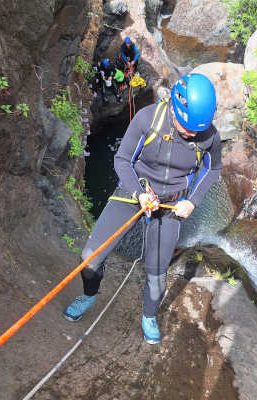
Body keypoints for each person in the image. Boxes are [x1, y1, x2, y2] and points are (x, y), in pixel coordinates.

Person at [63, 73, 222, 344]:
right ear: (173, 106)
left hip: (171, 202)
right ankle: (89, 295)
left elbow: (212, 169)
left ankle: (149, 316)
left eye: (197, 130)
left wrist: (192, 202)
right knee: (90, 259)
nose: (192, 134)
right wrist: (138, 192)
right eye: (186, 127)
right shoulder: (148, 119)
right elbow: (123, 159)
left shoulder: (208, 136)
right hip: (134, 190)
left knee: (157, 275)